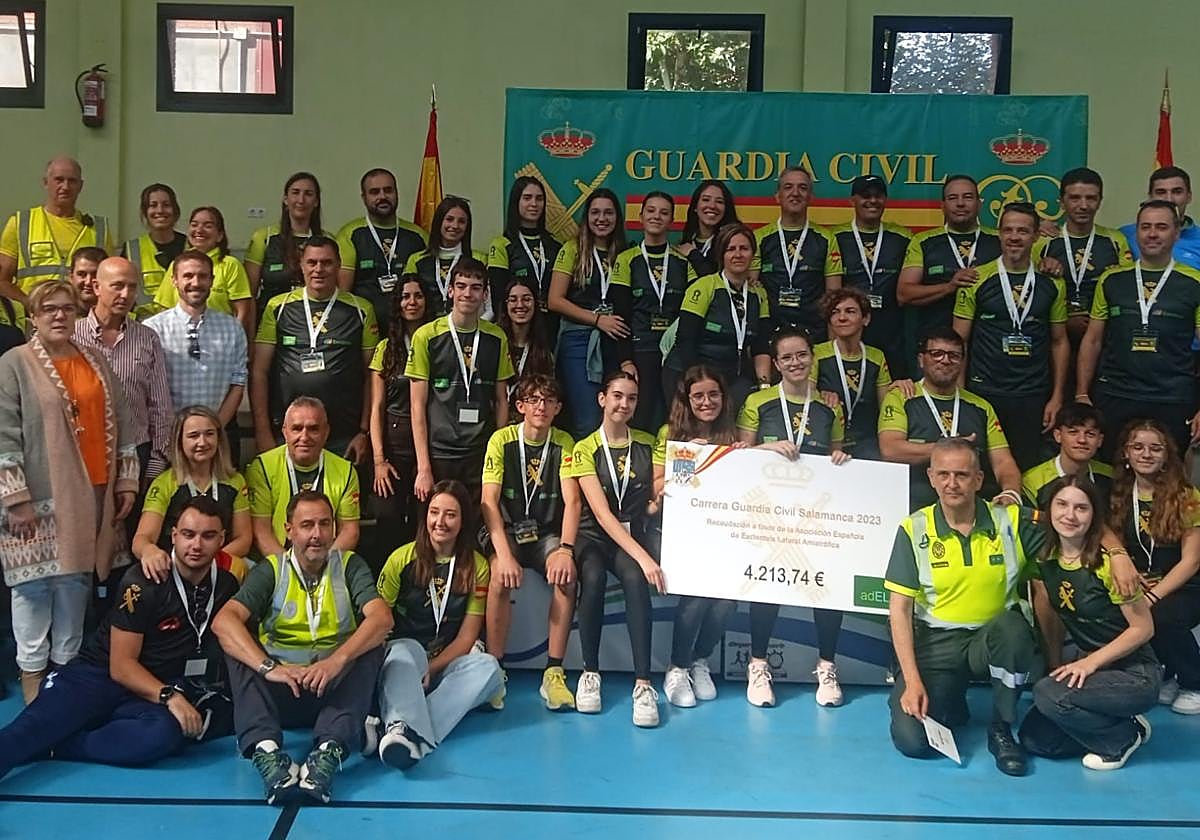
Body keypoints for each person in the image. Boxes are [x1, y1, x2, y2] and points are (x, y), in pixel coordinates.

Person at [0, 498, 240, 781]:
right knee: (25, 734)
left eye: (208, 536)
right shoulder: (142, 582)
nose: (196, 545)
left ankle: (61, 746)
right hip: (95, 678)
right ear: (174, 535)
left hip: (146, 689)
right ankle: (48, 737)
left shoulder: (225, 585)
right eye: (188, 535)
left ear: (222, 538)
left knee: (162, 735)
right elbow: (121, 666)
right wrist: (170, 696)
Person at [0, 281, 138, 704]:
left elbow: (126, 422)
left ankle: (62, 688)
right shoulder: (14, 363)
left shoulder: (94, 360)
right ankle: (32, 685)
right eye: (48, 310)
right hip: (35, 500)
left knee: (74, 586)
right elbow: (4, 434)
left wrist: (127, 481)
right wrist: (15, 497)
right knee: (33, 588)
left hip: (92, 495)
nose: (59, 316)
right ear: (33, 318)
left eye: (66, 309)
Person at [211, 491, 392, 805]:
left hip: (331, 689)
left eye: (324, 524)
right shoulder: (271, 569)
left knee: (371, 643)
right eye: (307, 525)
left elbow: (382, 617)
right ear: (288, 530)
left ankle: (326, 755)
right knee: (236, 645)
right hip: (284, 689)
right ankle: (268, 755)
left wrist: (336, 661)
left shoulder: (349, 564)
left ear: (334, 529)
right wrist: (271, 669)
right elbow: (223, 622)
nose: (317, 534)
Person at [885, 437, 1044, 775]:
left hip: (990, 639)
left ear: (979, 479)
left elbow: (1075, 521)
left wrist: (1116, 554)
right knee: (914, 742)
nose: (952, 483)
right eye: (943, 474)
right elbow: (898, 610)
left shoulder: (1009, 520)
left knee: (1014, 628)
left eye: (961, 474)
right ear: (930, 477)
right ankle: (951, 701)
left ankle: (1001, 727)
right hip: (936, 644)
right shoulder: (914, 529)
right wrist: (912, 682)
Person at [737, 327, 850, 707]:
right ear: (776, 363)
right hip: (769, 511)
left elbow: (836, 456)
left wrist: (840, 459)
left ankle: (827, 666)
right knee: (767, 584)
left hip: (815, 512)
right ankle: (757, 664)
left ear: (812, 356)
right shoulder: (758, 402)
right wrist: (769, 447)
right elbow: (739, 455)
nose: (795, 363)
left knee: (826, 584)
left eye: (802, 355)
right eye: (786, 358)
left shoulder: (830, 406)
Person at [1017, 475, 1157, 771]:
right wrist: (1056, 662)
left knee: (1047, 694)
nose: (1069, 515)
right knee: (1035, 738)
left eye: (1081, 508)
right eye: (1062, 504)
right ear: (1049, 509)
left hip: (1135, 674)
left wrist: (1090, 662)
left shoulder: (1109, 565)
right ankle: (1119, 720)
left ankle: (1121, 739)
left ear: (1094, 516)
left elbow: (1143, 629)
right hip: (1095, 674)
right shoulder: (1046, 558)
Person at [375, 480, 503, 767]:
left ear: (462, 521)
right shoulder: (401, 559)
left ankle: (400, 729)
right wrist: (416, 668)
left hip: (443, 663)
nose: (440, 522)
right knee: (404, 653)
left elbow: (466, 638)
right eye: (434, 512)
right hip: (404, 659)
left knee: (489, 668)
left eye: (450, 514)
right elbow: (378, 626)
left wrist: (431, 669)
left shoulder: (477, 567)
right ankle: (411, 733)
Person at [480, 374, 580, 711]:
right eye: (534, 400)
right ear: (520, 406)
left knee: (567, 576)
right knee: (498, 576)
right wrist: (505, 556)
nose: (541, 406)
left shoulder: (565, 442)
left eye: (548, 400)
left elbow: (573, 502)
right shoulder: (501, 440)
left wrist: (565, 550)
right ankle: (495, 669)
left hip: (546, 532)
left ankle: (553, 671)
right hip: (506, 529)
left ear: (558, 408)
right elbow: (488, 503)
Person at [571, 370, 665, 726]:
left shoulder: (648, 441)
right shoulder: (584, 449)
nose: (624, 404)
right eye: (617, 396)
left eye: (631, 398)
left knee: (635, 581)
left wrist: (662, 500)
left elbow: (652, 498)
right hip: (594, 537)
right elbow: (602, 514)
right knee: (592, 577)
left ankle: (643, 685)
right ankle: (590, 673)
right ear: (602, 399)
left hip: (631, 536)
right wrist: (645, 558)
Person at [1077, 200, 1200, 458]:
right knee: (1112, 474)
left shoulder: (1194, 281)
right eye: (1145, 227)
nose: (1152, 234)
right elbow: (1093, 341)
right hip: (1116, 394)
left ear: (1176, 233)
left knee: (1169, 476)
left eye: (1161, 227)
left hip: (1172, 397)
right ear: (1137, 233)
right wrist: (1081, 392)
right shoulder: (1111, 280)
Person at [953, 201, 1070, 471]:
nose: (1014, 237)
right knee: (979, 466)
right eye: (1008, 230)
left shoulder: (1052, 282)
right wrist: (960, 395)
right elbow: (960, 342)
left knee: (1027, 464)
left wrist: (1057, 396)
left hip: (1033, 393)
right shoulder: (977, 278)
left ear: (1036, 235)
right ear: (999, 234)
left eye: (1023, 231)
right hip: (984, 390)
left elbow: (1059, 341)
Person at [655, 365, 741, 707]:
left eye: (713, 394)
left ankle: (700, 660)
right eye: (698, 396)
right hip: (679, 534)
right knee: (699, 593)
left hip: (722, 535)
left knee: (727, 600)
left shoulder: (733, 432)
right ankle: (676, 667)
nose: (707, 402)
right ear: (687, 400)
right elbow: (656, 488)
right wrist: (689, 457)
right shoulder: (669, 434)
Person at [252, 235, 378, 461]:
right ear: (301, 265)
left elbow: (372, 375)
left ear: (339, 265)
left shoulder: (361, 309)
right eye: (312, 262)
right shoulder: (277, 307)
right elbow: (259, 371)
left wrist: (364, 431)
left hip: (344, 436)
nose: (319, 269)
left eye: (327, 262)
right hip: (289, 433)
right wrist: (262, 433)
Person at [1109, 420, 1200, 714]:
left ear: (1166, 455)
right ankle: (1171, 673)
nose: (1146, 454)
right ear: (1126, 453)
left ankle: (1194, 682)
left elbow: (1192, 561)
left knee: (1161, 616)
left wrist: (1153, 595)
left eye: (1155, 448)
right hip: (1144, 580)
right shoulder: (1119, 493)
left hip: (1186, 584)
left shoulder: (1186, 496)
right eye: (1138, 447)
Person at [878, 327, 1022, 509]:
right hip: (913, 505)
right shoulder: (902, 396)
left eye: (954, 355)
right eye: (937, 354)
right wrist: (951, 448)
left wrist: (1011, 492)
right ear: (921, 360)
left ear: (962, 363)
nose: (945, 360)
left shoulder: (981, 406)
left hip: (969, 507)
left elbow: (1003, 461)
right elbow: (890, 450)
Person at [407, 258, 513, 502]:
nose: (468, 293)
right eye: (462, 286)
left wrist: (497, 452)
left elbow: (501, 400)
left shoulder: (497, 337)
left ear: (485, 294)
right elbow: (416, 406)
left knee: (476, 524)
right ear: (450, 290)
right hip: (440, 452)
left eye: (476, 287)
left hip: (481, 451)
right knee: (438, 523)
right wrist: (423, 467)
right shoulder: (426, 336)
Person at [74, 257, 174, 482]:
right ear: (97, 288)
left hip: (137, 451)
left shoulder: (147, 338)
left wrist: (157, 459)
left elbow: (159, 404)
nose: (126, 294)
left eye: (132, 287)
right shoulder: (71, 336)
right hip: (81, 451)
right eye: (118, 286)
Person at [143, 249, 248, 458]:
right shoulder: (153, 329)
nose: (196, 282)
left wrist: (212, 431)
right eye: (188, 276)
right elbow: (148, 389)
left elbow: (238, 383)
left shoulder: (232, 328)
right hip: (168, 439)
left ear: (212, 280)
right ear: (174, 280)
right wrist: (179, 432)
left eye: (202, 276)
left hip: (219, 437)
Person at [547, 188, 631, 439]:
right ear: (586, 217)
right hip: (579, 341)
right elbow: (554, 300)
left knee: (616, 415)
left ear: (617, 218)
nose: (601, 218)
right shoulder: (572, 249)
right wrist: (597, 319)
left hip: (615, 341)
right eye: (595, 212)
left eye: (608, 213)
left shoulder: (625, 252)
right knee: (587, 418)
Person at [133, 407, 251, 582]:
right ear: (179, 441)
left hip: (221, 562)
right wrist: (149, 551)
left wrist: (209, 559)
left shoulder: (235, 481)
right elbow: (142, 539)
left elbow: (244, 539)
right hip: (177, 564)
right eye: (193, 436)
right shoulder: (165, 483)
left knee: (247, 568)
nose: (202, 442)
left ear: (219, 438)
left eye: (209, 434)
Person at [662, 223, 772, 411]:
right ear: (722, 255)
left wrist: (764, 386)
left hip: (732, 377)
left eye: (744, 248)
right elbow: (685, 340)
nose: (738, 254)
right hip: (690, 374)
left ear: (753, 254)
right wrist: (700, 382)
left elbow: (760, 346)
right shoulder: (704, 286)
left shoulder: (758, 293)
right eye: (731, 249)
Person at [612, 192, 696, 432]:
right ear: (640, 216)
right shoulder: (626, 259)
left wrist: (695, 255)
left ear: (672, 220)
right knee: (641, 415)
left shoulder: (683, 260)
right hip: (641, 349)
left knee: (677, 416)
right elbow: (621, 316)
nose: (656, 216)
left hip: (675, 352)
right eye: (651, 210)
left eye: (664, 212)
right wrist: (626, 360)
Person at [245, 397, 361, 560]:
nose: (304, 437)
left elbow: (350, 531)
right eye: (297, 429)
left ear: (326, 432)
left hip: (327, 560)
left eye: (313, 429)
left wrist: (325, 566)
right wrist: (288, 571)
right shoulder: (262, 467)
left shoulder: (346, 471)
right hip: (277, 561)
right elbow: (261, 532)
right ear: (285, 431)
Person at [898, 175, 1001, 357]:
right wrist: (949, 287)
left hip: (988, 348)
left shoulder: (1000, 240)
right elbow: (904, 294)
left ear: (979, 203)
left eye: (968, 197)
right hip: (935, 348)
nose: (960, 203)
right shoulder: (923, 241)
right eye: (953, 198)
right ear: (942, 205)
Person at [1033, 168, 1132, 344]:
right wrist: (1064, 318)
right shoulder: (1042, 241)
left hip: (1103, 334)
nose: (1084, 205)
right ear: (1062, 202)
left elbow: (1125, 291)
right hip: (1053, 334)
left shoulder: (1115, 239)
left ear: (1100, 201)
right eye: (1075, 198)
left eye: (1091, 198)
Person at [369, 276, 430, 552]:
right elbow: (377, 407)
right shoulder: (385, 348)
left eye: (418, 296)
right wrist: (379, 460)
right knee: (388, 517)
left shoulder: (436, 342)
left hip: (428, 446)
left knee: (423, 520)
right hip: (393, 448)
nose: (412, 302)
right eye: (406, 296)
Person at [813, 287, 909, 461]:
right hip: (826, 439)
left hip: (865, 441)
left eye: (850, 311)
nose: (842, 317)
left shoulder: (876, 356)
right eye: (835, 312)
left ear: (865, 319)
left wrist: (896, 390)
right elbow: (805, 396)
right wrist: (818, 395)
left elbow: (885, 403)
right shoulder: (816, 353)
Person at [0, 156, 113, 303]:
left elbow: (109, 280)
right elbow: (2, 281)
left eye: (72, 181)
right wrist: (29, 305)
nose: (65, 187)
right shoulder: (20, 223)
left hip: (84, 317)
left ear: (81, 186)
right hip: (34, 318)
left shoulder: (99, 228)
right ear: (46, 183)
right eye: (59, 180)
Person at [830, 175, 912, 376]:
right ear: (852, 201)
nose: (872, 201)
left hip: (891, 333)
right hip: (848, 329)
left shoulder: (904, 237)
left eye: (878, 196)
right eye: (865, 195)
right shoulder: (834, 237)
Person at [751, 166, 843, 339]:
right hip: (769, 333)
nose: (795, 193)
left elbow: (834, 297)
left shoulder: (827, 238)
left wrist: (832, 347)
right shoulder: (759, 237)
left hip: (814, 334)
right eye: (788, 187)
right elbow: (751, 291)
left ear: (811, 197)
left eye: (802, 188)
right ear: (777, 196)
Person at [337, 168, 428, 332]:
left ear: (397, 193)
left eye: (388, 190)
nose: (382, 197)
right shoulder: (350, 234)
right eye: (374, 192)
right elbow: (344, 295)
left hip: (408, 330)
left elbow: (427, 289)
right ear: (364, 198)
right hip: (365, 329)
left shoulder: (418, 235)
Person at [153, 206, 254, 340]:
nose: (199, 230)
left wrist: (234, 339)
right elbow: (164, 306)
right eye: (194, 225)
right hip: (179, 339)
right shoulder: (177, 264)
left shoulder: (230, 265)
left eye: (208, 226)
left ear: (220, 235)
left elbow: (242, 310)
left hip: (219, 339)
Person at [246, 172, 329, 317]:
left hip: (314, 321)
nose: (301, 200)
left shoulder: (328, 240)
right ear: (285, 199)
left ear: (316, 201)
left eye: (308, 194)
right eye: (295, 193)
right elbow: (249, 295)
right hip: (271, 320)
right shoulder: (264, 237)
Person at [487, 176, 563, 327]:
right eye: (527, 198)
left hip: (550, 324)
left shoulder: (556, 245)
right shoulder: (502, 244)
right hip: (516, 323)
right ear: (516, 202)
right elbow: (499, 296)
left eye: (539, 199)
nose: (534, 204)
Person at [403, 196, 488, 319]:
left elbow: (488, 305)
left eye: (462, 221)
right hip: (426, 329)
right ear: (439, 222)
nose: (455, 225)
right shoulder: (416, 260)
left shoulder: (479, 259)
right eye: (449, 219)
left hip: (466, 328)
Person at [1022, 402, 1113, 509]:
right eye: (1073, 432)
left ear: (1100, 440)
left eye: (1090, 434)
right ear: (1058, 436)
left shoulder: (1111, 476)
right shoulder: (1031, 482)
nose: (1082, 440)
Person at [120, 183, 186, 318]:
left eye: (166, 205)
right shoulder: (131, 249)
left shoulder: (190, 246)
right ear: (145, 212)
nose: (160, 210)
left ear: (175, 211)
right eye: (153, 205)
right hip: (143, 328)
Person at [1120, 166, 1200, 269]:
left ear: (1189, 197)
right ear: (1150, 197)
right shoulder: (1125, 236)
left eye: (1177, 192)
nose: (1169, 199)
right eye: (1161, 192)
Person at [497, 277, 555, 417]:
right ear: (505, 305)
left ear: (536, 304)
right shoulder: (495, 342)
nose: (520, 305)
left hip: (530, 421)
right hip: (496, 419)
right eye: (513, 300)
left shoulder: (544, 347)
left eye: (526, 299)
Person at [677, 179, 739, 278]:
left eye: (719, 201)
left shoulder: (732, 242)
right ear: (695, 207)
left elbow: (722, 280)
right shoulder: (686, 243)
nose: (712, 206)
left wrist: (693, 255)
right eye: (706, 200)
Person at [68, 245, 106, 312]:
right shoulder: (58, 317)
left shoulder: (123, 319)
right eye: (82, 274)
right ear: (71, 277)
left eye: (95, 275)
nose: (88, 282)